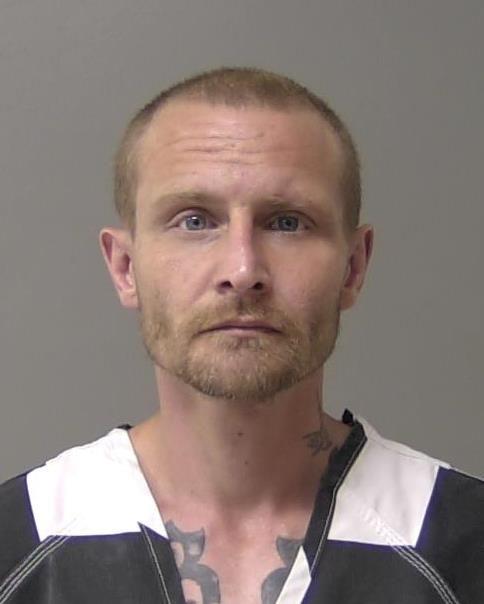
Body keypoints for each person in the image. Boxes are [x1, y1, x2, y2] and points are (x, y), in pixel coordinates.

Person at [0, 67, 482, 604]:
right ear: (125, 267)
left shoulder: (463, 542)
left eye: (287, 223)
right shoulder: (18, 543)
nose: (243, 269)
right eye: (194, 221)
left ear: (353, 267)